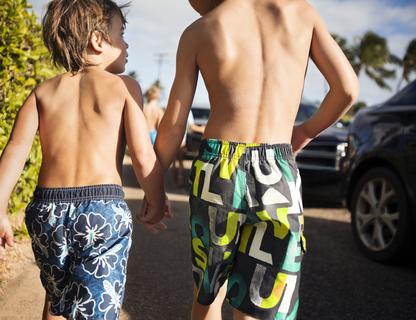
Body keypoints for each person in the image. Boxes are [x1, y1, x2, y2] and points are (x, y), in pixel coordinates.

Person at [151, 0, 359, 319]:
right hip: (278, 170)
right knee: (259, 301)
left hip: (217, 170)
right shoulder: (301, 12)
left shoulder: (201, 30)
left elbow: (174, 123)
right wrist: (303, 132)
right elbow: (346, 89)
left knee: (209, 294)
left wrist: (154, 186)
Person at [0, 1, 170, 319]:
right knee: (95, 308)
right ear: (97, 40)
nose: (127, 43)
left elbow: (15, 150)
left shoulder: (41, 92)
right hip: (101, 212)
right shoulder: (124, 87)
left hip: (46, 213)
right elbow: (142, 154)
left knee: (58, 297)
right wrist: (156, 198)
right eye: (121, 34)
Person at [171, 109, 205, 188]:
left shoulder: (173, 109)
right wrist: (201, 129)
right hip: (182, 139)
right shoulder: (187, 111)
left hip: (172, 139)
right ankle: (180, 179)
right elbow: (192, 126)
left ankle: (175, 183)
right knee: (180, 161)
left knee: (173, 162)